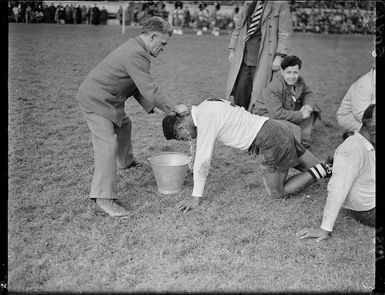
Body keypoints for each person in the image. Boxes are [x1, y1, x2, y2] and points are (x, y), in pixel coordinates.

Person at [76, 17, 188, 217]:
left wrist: (151, 107)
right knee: (107, 144)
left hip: (108, 100)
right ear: (153, 36)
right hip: (96, 100)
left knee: (124, 125)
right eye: (163, 43)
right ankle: (103, 199)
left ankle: (125, 162)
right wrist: (173, 108)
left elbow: (136, 84)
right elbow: (149, 88)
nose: (164, 48)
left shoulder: (137, 49)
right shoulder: (136, 54)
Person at [162, 98, 332, 212]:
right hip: (275, 127)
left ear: (180, 128)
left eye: (182, 138)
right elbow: (207, 149)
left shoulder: (205, 119)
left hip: (271, 139)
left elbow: (203, 160)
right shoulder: (205, 105)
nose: (188, 139)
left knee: (277, 192)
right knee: (324, 170)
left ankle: (323, 169)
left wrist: (195, 198)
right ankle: (330, 168)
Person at [297, 104, 375, 241]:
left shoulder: (368, 141)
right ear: (372, 127)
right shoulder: (351, 150)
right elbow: (338, 188)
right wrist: (325, 228)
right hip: (369, 210)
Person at [225, 1, 292, 112]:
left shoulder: (280, 4)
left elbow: (284, 33)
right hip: (244, 58)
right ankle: (241, 122)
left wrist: (280, 56)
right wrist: (232, 49)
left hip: (265, 58)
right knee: (240, 94)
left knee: (259, 96)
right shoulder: (248, 2)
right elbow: (239, 27)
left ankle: (256, 123)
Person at [253, 55, 321, 148]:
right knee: (295, 129)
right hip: (265, 114)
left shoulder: (300, 80)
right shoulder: (274, 87)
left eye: (295, 72)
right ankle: (293, 147)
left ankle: (303, 140)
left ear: (299, 72)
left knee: (312, 108)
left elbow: (308, 93)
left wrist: (308, 106)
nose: (292, 76)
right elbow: (277, 113)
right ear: (282, 72)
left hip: (285, 108)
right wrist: (300, 115)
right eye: (288, 72)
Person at [336, 67, 375, 137]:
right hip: (350, 117)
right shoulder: (364, 84)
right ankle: (353, 136)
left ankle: (353, 136)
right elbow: (360, 114)